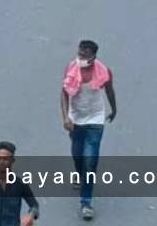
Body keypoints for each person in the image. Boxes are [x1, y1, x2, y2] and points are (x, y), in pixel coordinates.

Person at [60, 40, 117, 220]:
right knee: (78, 155)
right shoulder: (71, 68)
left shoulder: (103, 71)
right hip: (76, 118)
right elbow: (63, 93)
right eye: (80, 52)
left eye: (85, 53)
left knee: (90, 159)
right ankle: (80, 174)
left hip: (95, 118)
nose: (81, 55)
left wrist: (114, 109)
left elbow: (109, 90)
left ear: (93, 56)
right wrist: (66, 117)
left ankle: (86, 202)